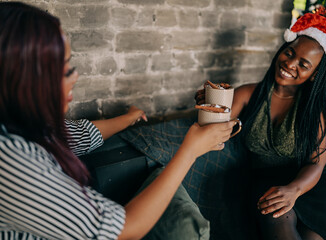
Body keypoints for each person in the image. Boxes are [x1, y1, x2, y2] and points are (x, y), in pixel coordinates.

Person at [0, 2, 236, 239]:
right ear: (23, 79)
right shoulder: (11, 160)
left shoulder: (22, 123)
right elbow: (122, 230)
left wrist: (128, 118)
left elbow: (75, 135)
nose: (76, 76)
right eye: (63, 70)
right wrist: (190, 151)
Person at [197, 13, 326, 240]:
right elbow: (213, 126)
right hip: (267, 183)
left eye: (303, 64)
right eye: (289, 52)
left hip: (310, 185)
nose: (289, 63)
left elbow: (316, 165)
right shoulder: (249, 94)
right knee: (278, 220)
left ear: (314, 75)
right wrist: (209, 106)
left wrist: (293, 190)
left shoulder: (320, 109)